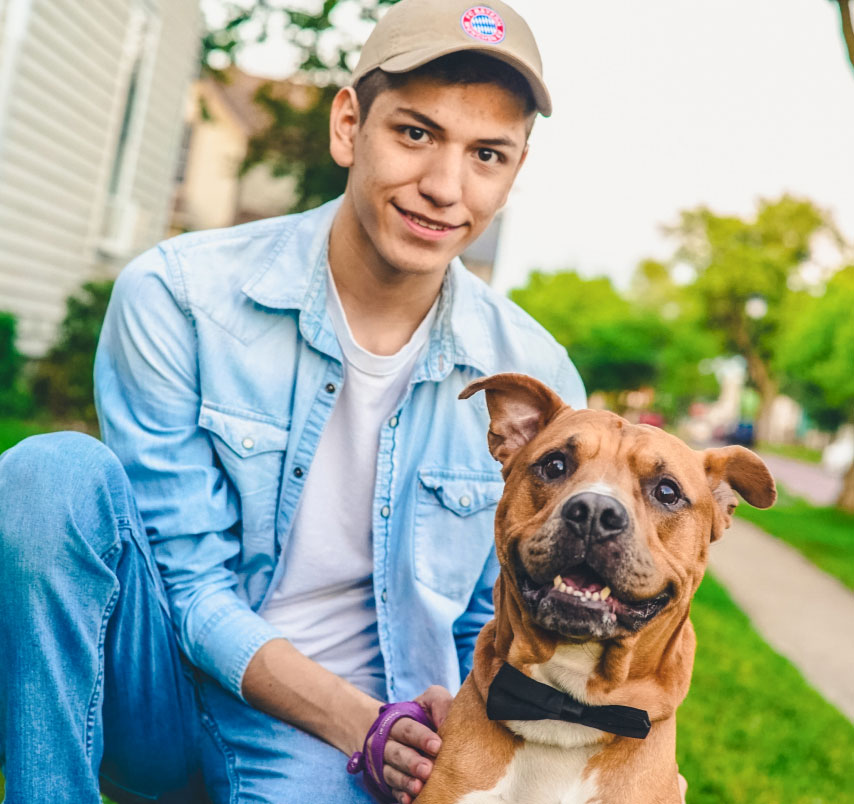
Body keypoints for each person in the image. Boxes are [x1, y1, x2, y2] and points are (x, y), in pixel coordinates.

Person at [0, 1, 586, 802]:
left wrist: (456, 721)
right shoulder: (179, 297)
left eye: (486, 154)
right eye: (414, 133)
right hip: (161, 687)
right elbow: (188, 588)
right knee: (49, 474)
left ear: (512, 175)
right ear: (350, 126)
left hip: (358, 744)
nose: (445, 187)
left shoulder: (533, 377)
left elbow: (503, 615)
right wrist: (358, 720)